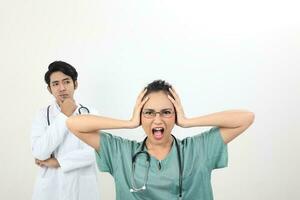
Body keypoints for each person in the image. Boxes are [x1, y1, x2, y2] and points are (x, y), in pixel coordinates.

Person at [67, 80, 255, 200]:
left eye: (166, 112)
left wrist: (188, 122)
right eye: (149, 113)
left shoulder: (198, 149)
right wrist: (129, 122)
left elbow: (245, 118)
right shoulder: (120, 152)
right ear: (140, 116)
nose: (158, 120)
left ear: (175, 115)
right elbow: (73, 123)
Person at [30, 61, 100, 200]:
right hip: (51, 188)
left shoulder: (91, 113)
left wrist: (59, 162)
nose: (62, 88)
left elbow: (95, 152)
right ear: (50, 89)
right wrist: (64, 116)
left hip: (82, 187)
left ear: (75, 84)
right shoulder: (43, 115)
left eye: (66, 82)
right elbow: (39, 151)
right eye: (55, 84)